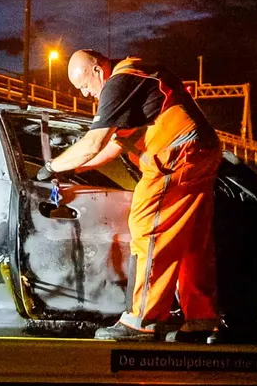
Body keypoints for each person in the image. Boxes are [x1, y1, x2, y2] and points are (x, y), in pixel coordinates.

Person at [35, 49, 222, 342]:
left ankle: (142, 320)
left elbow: (93, 142)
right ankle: (201, 320)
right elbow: (112, 146)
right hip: (199, 152)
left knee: (149, 229)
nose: (85, 94)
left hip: (174, 156)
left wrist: (51, 166)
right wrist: (74, 167)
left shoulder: (118, 82)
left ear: (97, 70)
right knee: (191, 240)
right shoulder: (135, 79)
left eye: (83, 85)